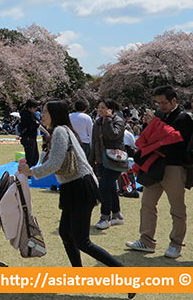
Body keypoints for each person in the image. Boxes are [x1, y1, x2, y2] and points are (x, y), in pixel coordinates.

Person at [18, 101, 126, 271]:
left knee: (82, 241)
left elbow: (55, 163)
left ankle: (123, 272)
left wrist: (30, 172)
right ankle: (78, 273)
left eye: (45, 111)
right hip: (73, 186)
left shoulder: (60, 131)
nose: (42, 114)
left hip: (80, 187)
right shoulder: (62, 130)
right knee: (66, 233)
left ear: (55, 114)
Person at [126, 85, 193, 259]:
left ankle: (176, 244)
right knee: (147, 203)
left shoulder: (185, 118)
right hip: (154, 166)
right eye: (158, 103)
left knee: (177, 208)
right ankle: (146, 240)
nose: (161, 106)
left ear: (174, 101)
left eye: (164, 103)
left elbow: (179, 143)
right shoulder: (159, 115)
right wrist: (153, 124)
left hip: (173, 167)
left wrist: (155, 125)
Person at [88, 99, 126, 230]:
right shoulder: (97, 123)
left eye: (103, 108)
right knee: (109, 187)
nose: (100, 110)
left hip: (115, 160)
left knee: (104, 186)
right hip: (101, 160)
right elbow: (94, 142)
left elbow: (113, 135)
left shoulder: (118, 121)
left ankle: (105, 217)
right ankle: (117, 215)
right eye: (99, 108)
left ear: (111, 109)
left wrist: (109, 120)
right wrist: (91, 160)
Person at [19, 99, 40, 167]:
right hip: (28, 138)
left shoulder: (31, 114)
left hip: (32, 137)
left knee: (35, 157)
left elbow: (37, 123)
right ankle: (26, 174)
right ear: (30, 107)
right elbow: (35, 124)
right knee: (30, 158)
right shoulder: (26, 115)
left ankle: (29, 172)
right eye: (34, 108)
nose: (36, 109)